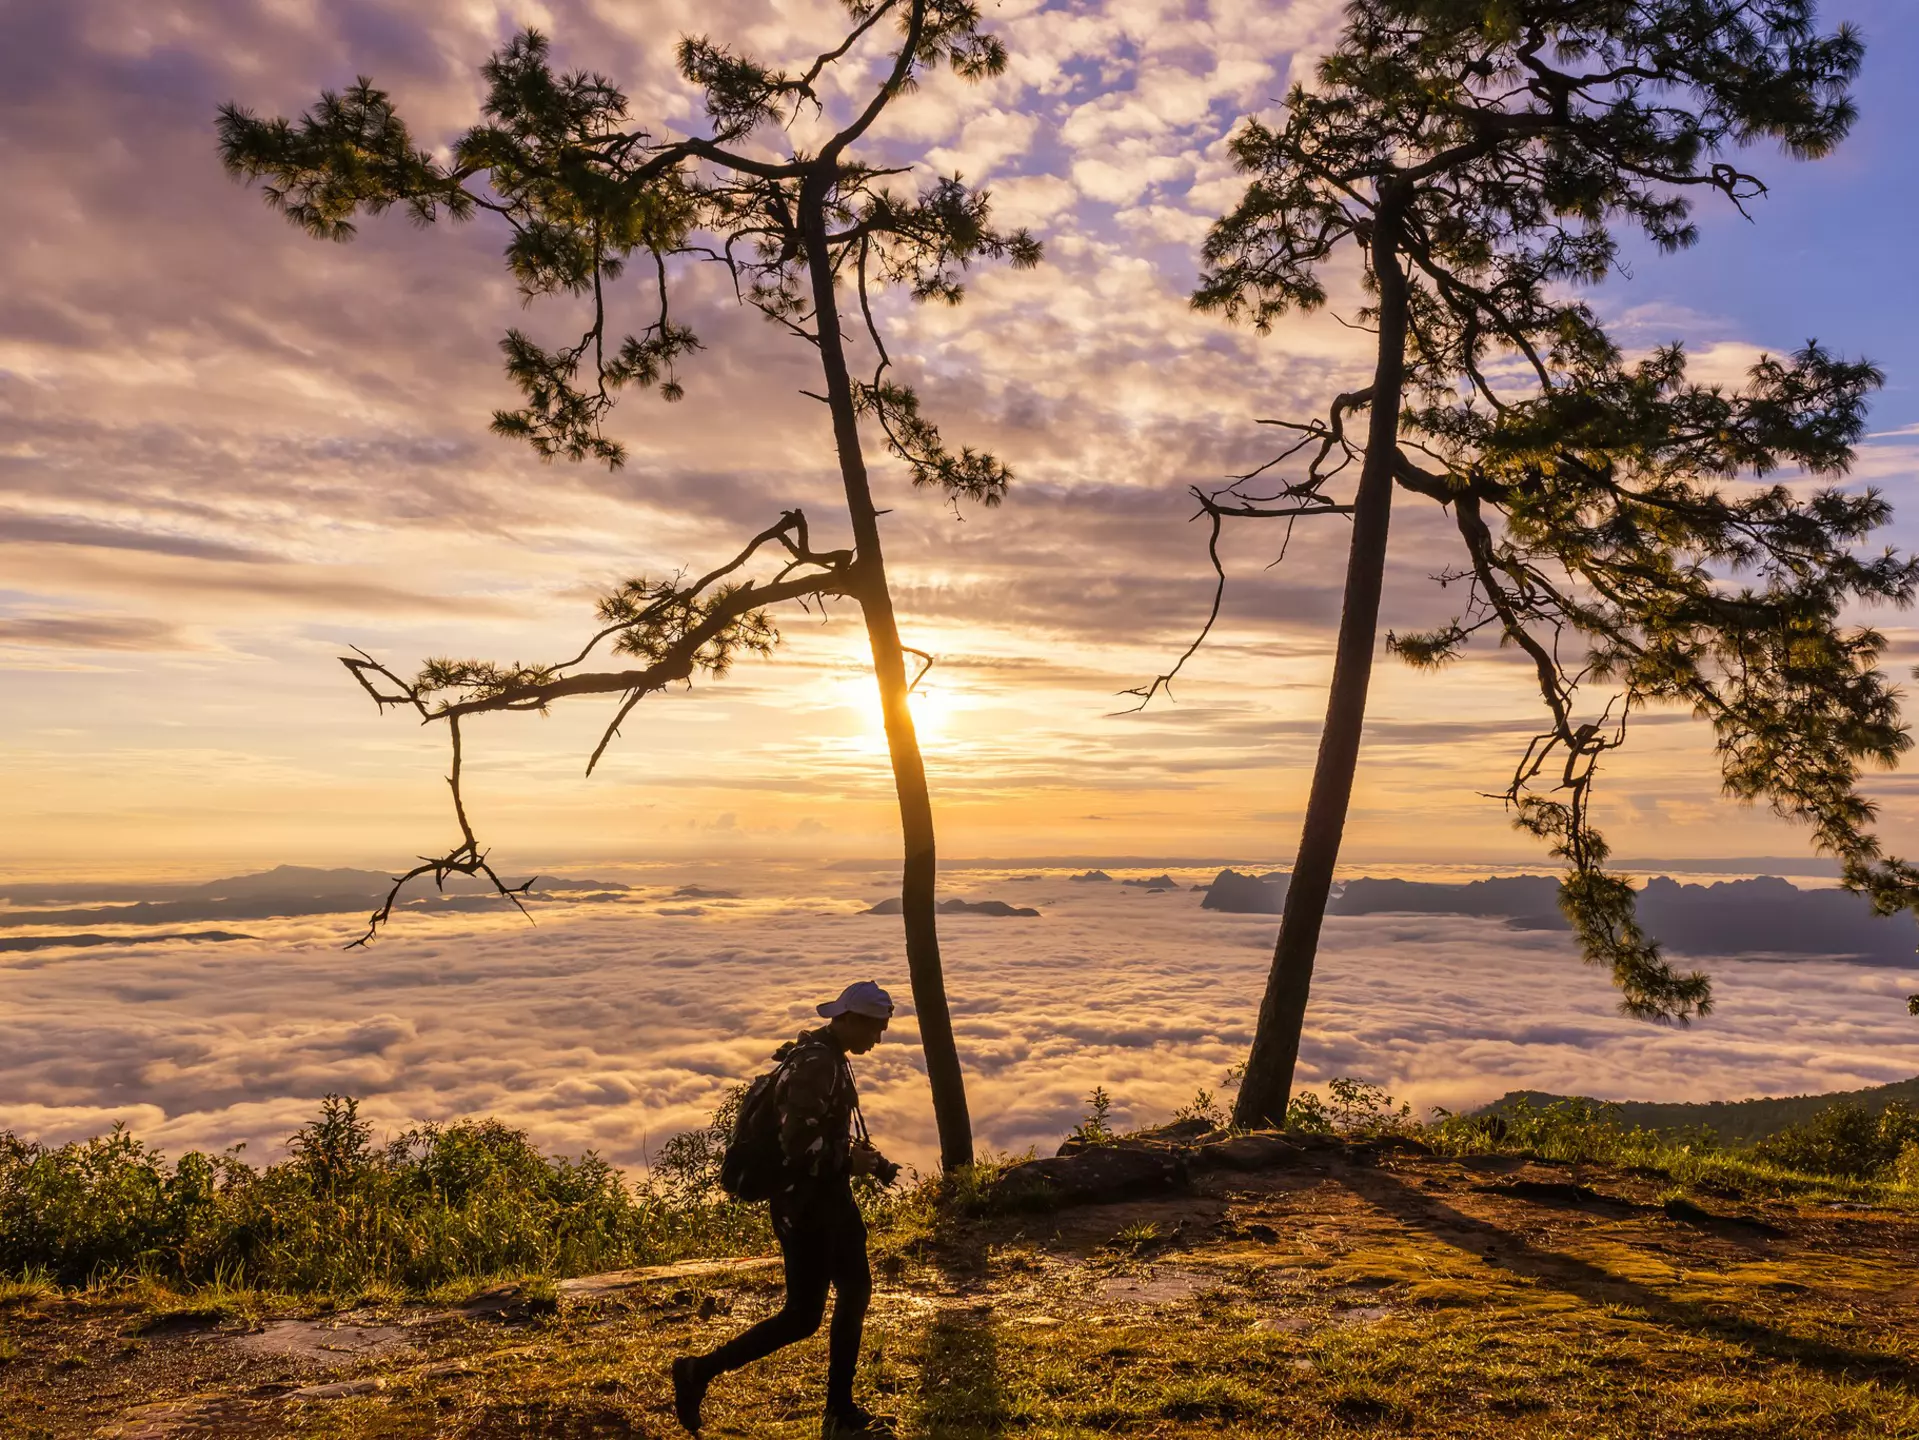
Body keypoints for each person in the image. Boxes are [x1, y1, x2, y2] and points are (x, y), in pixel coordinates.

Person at [672, 980, 901, 1437]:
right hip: (808, 1204)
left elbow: (819, 1130)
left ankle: (836, 1411)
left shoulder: (825, 1057)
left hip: (820, 1200)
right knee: (813, 1311)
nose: (878, 1040)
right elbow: (799, 1146)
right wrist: (848, 1161)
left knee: (837, 1300)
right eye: (875, 1029)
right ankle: (701, 1373)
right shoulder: (817, 1065)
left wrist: (866, 1162)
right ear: (850, 1020)